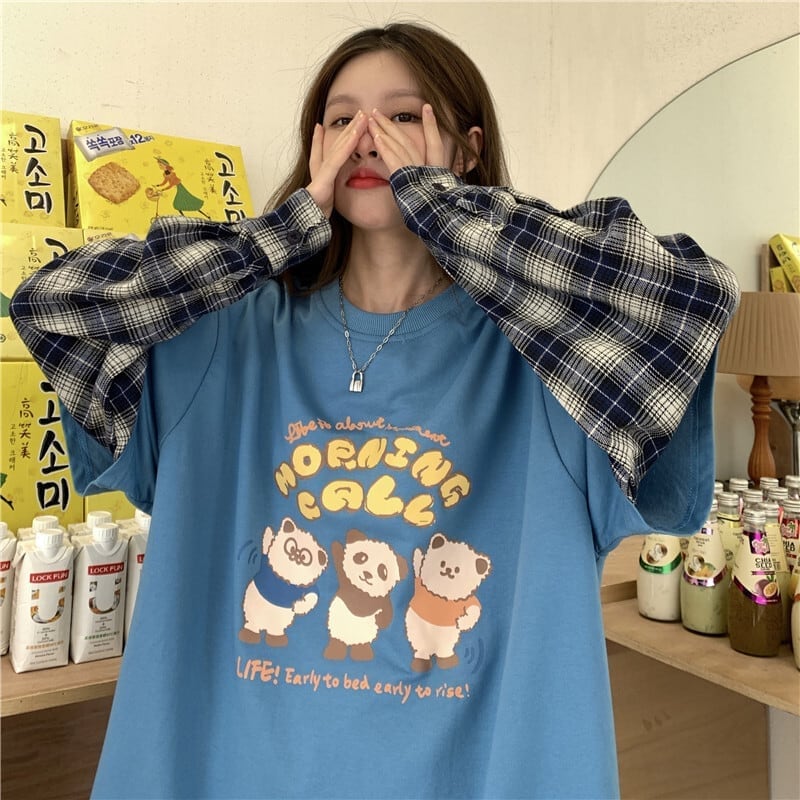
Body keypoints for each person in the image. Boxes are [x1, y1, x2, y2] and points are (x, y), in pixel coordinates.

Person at [11, 22, 739, 800]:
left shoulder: (549, 357)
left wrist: (444, 206)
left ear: (467, 148)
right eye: (341, 120)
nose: (366, 139)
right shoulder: (224, 338)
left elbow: (689, 297)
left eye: (401, 116)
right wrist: (279, 234)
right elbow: (54, 305)